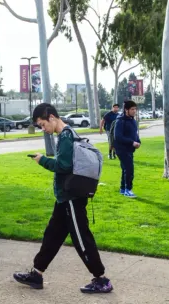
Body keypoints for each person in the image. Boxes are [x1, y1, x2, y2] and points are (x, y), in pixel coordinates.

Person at [13, 103, 113, 294]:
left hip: (71, 199)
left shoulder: (66, 136)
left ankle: (101, 279)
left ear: (51, 117)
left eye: (43, 124)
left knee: (81, 238)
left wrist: (42, 160)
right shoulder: (67, 135)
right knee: (52, 235)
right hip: (65, 198)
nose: (44, 129)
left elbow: (64, 165)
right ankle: (37, 273)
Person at [113, 100, 141, 197]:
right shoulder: (120, 121)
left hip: (129, 149)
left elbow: (134, 133)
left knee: (125, 169)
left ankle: (123, 188)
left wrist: (138, 141)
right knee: (129, 169)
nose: (134, 111)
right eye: (132, 109)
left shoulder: (132, 120)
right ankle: (128, 190)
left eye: (135, 109)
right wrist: (132, 142)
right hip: (121, 149)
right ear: (126, 110)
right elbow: (118, 136)